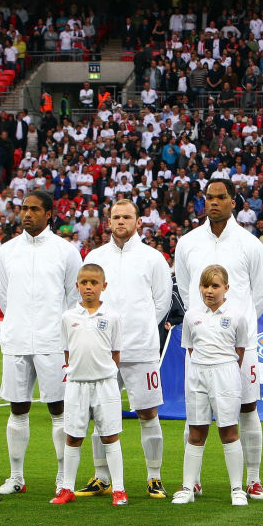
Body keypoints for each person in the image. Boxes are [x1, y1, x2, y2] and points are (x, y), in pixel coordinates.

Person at [174, 178, 263, 499]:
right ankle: (193, 481)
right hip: (202, 344)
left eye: (220, 197)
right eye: (209, 197)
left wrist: (236, 326)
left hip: (241, 345)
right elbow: (187, 290)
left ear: (233, 202)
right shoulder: (187, 243)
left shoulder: (250, 244)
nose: (213, 202)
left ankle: (253, 479)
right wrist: (207, 325)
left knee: (247, 408)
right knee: (195, 413)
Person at [79, 199, 172, 499]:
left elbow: (162, 301)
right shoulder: (95, 257)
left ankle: (154, 477)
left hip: (140, 349)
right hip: (103, 351)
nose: (121, 221)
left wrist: (141, 329)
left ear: (138, 222)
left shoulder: (153, 258)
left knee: (148, 413)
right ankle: (101, 476)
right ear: (108, 222)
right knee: (100, 413)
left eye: (127, 217)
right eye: (116, 217)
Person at [0, 189, 82, 494]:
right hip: (17, 339)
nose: (27, 214)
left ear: (49, 214)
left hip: (53, 341)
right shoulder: (6, 251)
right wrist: (19, 322)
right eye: (23, 208)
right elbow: (4, 297)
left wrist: (58, 330)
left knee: (58, 410)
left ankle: (63, 478)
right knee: (17, 409)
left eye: (34, 209)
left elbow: (73, 298)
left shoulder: (66, 251)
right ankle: (16, 477)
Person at [172, 265, 251, 506]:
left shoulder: (237, 315)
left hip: (226, 373)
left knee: (229, 430)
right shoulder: (191, 315)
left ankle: (237, 489)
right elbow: (190, 347)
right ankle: (189, 487)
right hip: (198, 373)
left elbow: (239, 350)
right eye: (205, 286)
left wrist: (222, 368)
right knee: (196, 431)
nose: (209, 291)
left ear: (226, 288)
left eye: (215, 286)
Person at [51, 263, 127, 506]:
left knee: (110, 436)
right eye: (84, 282)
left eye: (94, 282)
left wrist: (104, 373)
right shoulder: (68, 317)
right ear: (77, 285)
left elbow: (116, 353)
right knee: (73, 437)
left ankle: (119, 490)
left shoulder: (112, 316)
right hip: (76, 384)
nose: (88, 287)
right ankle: (67, 489)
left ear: (103, 286)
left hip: (105, 384)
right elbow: (67, 352)